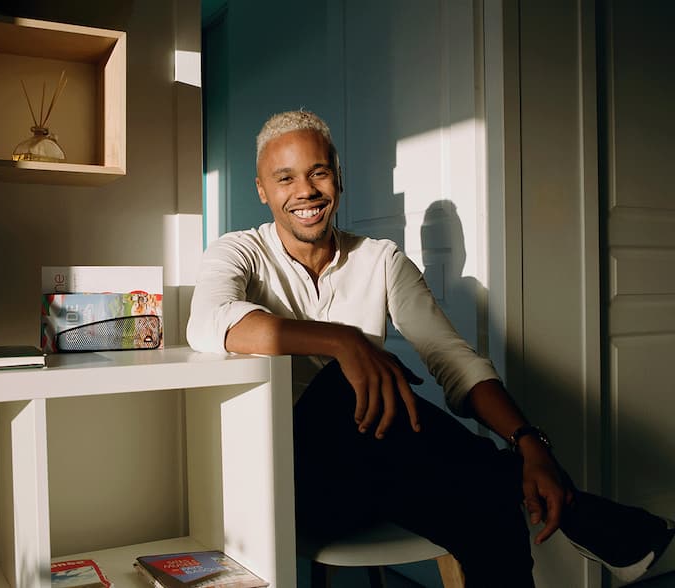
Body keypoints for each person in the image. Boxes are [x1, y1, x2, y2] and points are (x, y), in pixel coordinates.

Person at [187, 110, 674, 587]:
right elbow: (208, 321)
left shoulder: (380, 259)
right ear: (262, 191)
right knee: (342, 384)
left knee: (487, 506)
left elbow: (452, 360)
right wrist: (343, 340)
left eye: (318, 173)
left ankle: (528, 486)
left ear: (337, 175)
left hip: (379, 474)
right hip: (293, 488)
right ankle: (587, 515)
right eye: (285, 178)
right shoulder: (239, 252)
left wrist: (528, 441)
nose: (306, 192)